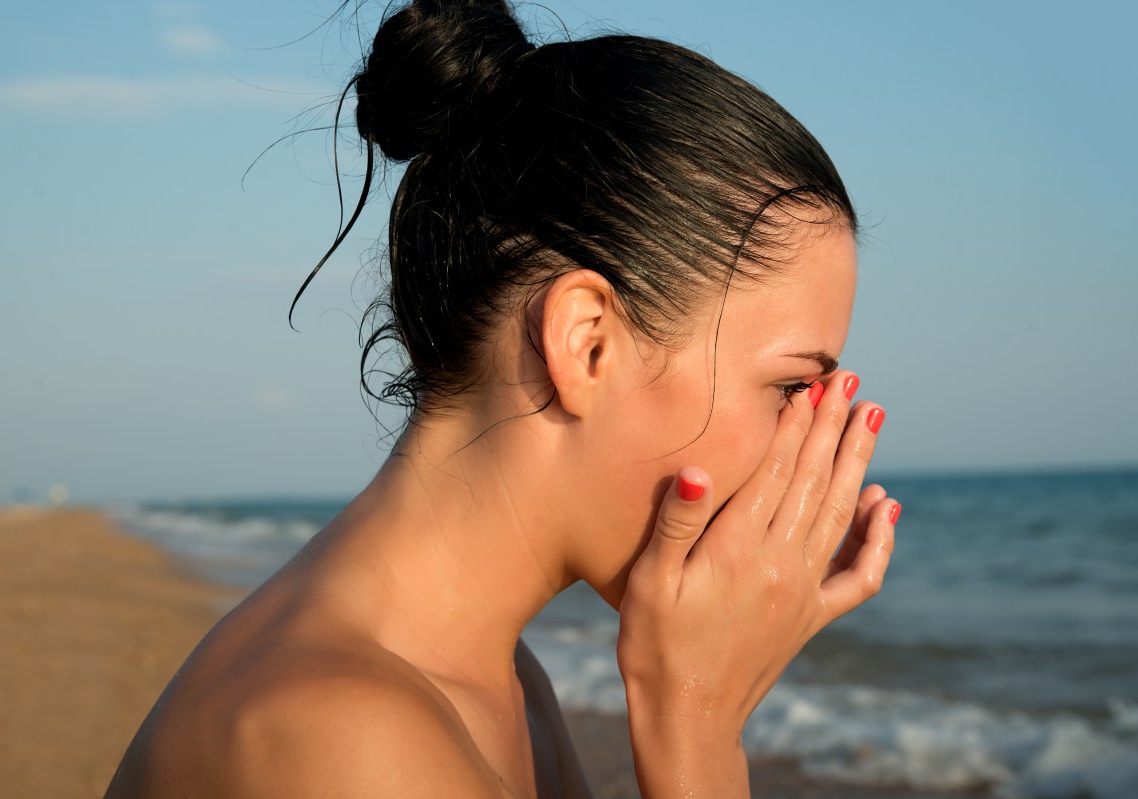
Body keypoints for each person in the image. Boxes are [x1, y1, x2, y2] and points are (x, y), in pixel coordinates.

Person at [106, 1, 898, 796]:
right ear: (586, 343)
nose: (811, 443)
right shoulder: (341, 739)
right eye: (792, 387)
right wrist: (695, 729)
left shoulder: (499, 678)